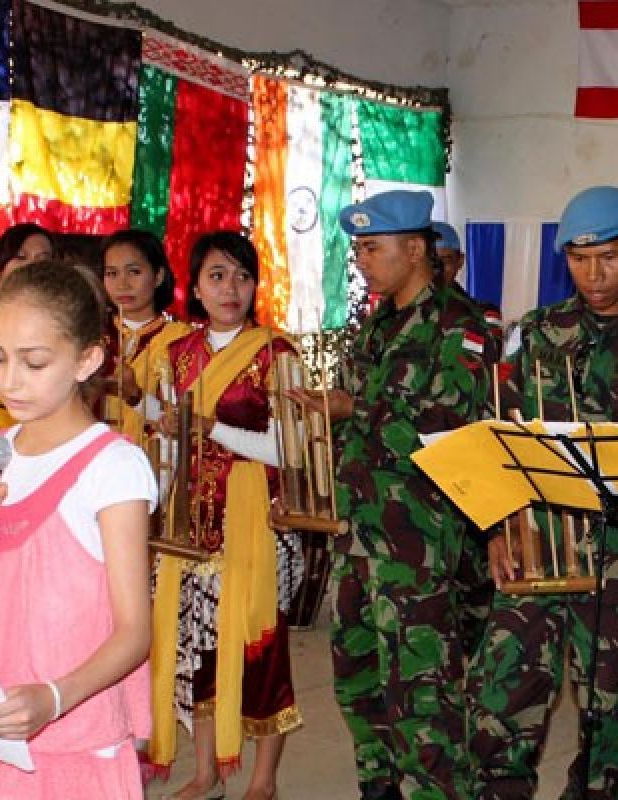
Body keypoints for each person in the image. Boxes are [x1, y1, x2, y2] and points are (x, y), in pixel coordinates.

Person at [473, 186, 618, 799]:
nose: (593, 274)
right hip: (541, 543)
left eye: (607, 257)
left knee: (608, 714)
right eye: (579, 260)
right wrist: (499, 527)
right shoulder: (538, 334)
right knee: (500, 699)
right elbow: (505, 436)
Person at [289, 190, 498, 799]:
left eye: (372, 247)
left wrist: (356, 408)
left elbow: (451, 425)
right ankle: (378, 788)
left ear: (414, 249)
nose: (361, 259)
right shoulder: (378, 323)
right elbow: (361, 421)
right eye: (357, 247)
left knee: (421, 691)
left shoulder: (462, 325)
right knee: (356, 675)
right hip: (363, 532)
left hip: (421, 540)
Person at [0, 259, 154, 799]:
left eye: (34, 363)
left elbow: (134, 632)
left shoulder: (112, 466)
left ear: (87, 359)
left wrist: (54, 698)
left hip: (74, 735)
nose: (10, 382)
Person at [147, 231, 303, 800]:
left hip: (258, 521)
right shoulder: (174, 356)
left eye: (242, 276)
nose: (230, 288)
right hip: (190, 523)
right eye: (217, 275)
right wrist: (150, 506)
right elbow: (166, 449)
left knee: (259, 649)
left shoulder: (276, 353)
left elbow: (290, 449)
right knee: (194, 651)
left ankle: (263, 779)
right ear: (195, 284)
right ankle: (207, 772)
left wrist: (210, 427)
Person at [431, 220, 501, 659]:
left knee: (472, 589)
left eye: (445, 262)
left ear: (458, 263)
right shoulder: (390, 322)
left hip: (470, 469)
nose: (437, 272)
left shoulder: (477, 316)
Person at [99, 229, 190, 443]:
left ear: (158, 276)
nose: (122, 284)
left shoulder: (182, 339)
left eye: (134, 272)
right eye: (112, 274)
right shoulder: (90, 332)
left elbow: (185, 418)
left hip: (155, 463)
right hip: (91, 460)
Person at [0, 222, 54, 362]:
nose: (31, 265)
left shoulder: (61, 314)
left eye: (42, 259)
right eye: (21, 257)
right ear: (1, 267)